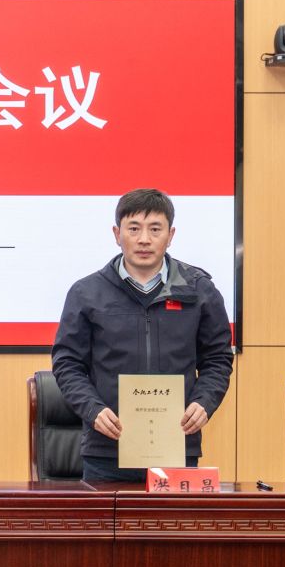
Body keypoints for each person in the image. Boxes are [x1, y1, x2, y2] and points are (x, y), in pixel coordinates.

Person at [51, 187, 234, 485]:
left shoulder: (199, 290)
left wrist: (204, 402)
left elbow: (217, 359)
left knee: (172, 519)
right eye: (134, 228)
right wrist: (93, 410)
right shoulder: (86, 293)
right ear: (117, 233)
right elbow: (67, 363)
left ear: (171, 235)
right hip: (107, 450)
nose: (144, 239)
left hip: (176, 445)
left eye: (155, 229)